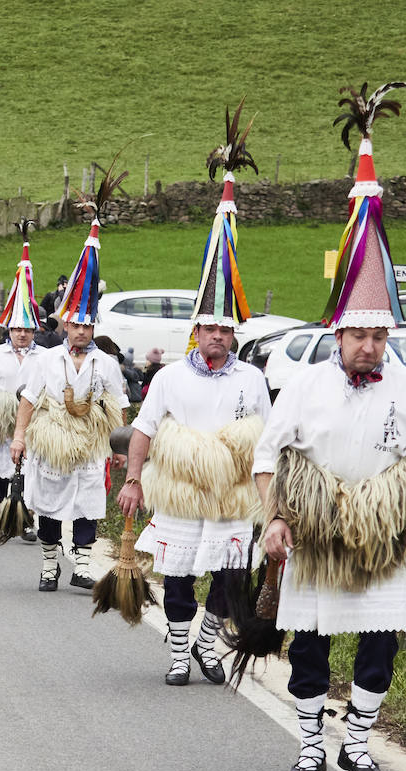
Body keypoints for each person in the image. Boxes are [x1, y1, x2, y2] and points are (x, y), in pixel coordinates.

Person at [254, 106, 406, 771]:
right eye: (359, 334)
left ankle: (357, 743)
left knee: (380, 640)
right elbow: (267, 457)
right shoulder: (304, 385)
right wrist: (274, 517)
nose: (369, 345)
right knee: (307, 641)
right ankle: (309, 745)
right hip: (314, 532)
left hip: (380, 538)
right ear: (338, 334)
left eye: (379, 335)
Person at [116, 133, 270, 685]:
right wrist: (134, 481)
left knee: (230, 582)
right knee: (179, 578)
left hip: (231, 495)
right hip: (180, 493)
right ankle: (181, 653)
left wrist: (274, 502)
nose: (219, 337)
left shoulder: (253, 379)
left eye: (226, 330)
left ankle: (207, 644)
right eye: (210, 328)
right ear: (195, 330)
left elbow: (269, 446)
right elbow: (144, 431)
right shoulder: (169, 378)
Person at [11, 217, 128, 592]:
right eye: (75, 324)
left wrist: (122, 449)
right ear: (65, 325)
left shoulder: (106, 363)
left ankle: (81, 564)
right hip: (53, 440)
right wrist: (19, 438)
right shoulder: (46, 359)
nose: (80, 330)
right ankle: (49, 565)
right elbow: (29, 399)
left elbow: (118, 404)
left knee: (87, 504)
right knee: (48, 504)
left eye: (87, 325)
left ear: (93, 327)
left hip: (91, 443)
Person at [0, 243, 44, 535]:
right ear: (9, 331)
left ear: (33, 331)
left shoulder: (45, 357)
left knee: (29, 472)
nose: (22, 334)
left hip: (31, 423)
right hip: (0, 424)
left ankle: (24, 520)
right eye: (17, 329)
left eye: (27, 330)